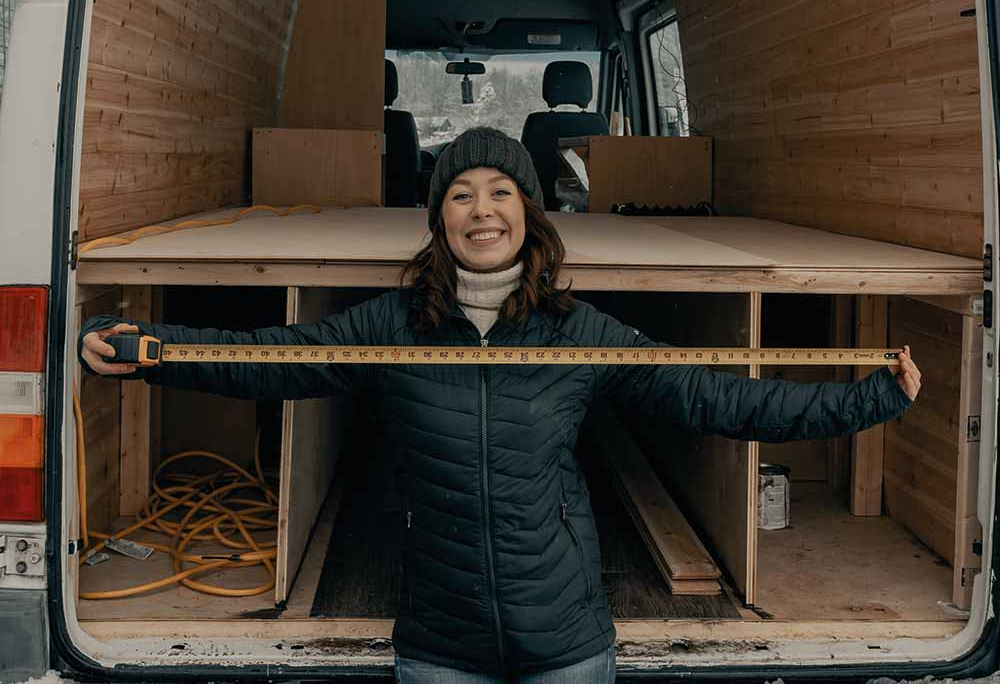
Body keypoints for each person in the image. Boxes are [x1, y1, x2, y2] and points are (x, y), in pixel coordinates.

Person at [81, 126, 921, 683]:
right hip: (440, 644)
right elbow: (269, 363)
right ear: (439, 217)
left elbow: (717, 398)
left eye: (500, 192)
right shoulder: (392, 324)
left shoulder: (579, 331)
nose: (482, 210)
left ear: (528, 210)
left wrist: (867, 401)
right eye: (460, 193)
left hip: (566, 644)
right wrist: (151, 351)